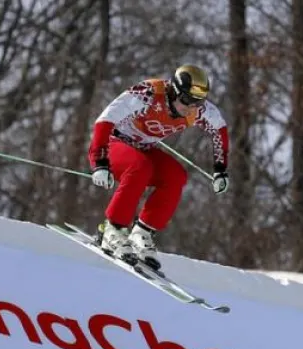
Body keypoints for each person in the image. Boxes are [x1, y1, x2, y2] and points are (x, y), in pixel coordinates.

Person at [86, 64, 230, 270]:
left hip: (142, 148)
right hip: (113, 143)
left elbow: (219, 129)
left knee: (176, 175)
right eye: (187, 100)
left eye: (198, 102)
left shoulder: (197, 111)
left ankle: (142, 232)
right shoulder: (148, 94)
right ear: (174, 91)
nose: (191, 108)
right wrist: (99, 163)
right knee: (140, 167)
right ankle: (113, 230)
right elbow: (104, 120)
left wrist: (220, 169)